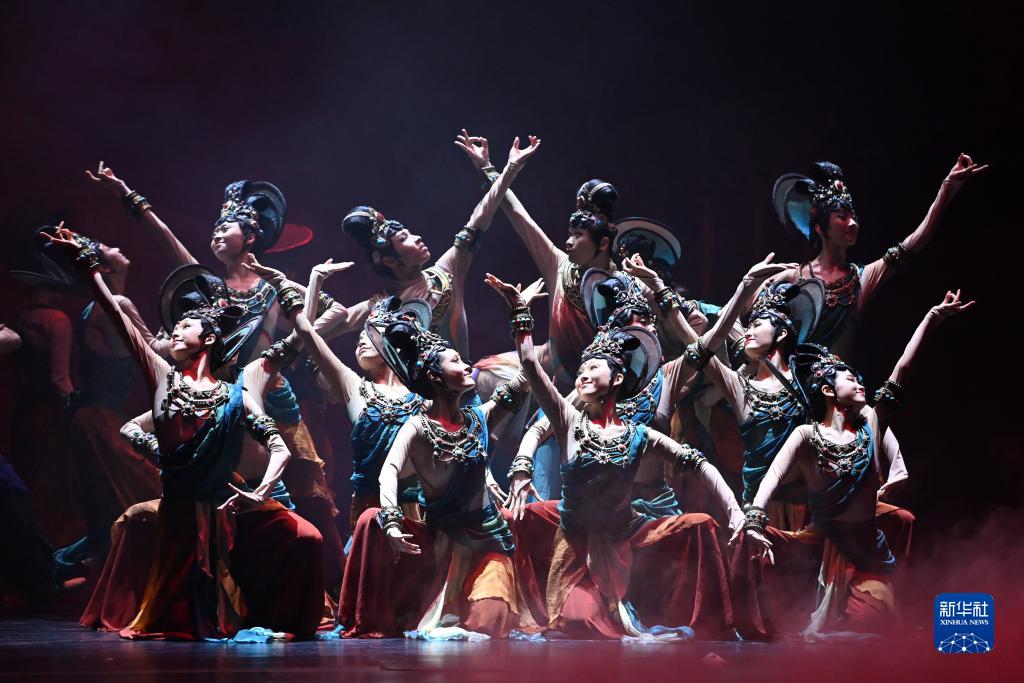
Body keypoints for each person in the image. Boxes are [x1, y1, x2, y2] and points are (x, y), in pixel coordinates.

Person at [44, 224, 324, 640]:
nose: (175, 329)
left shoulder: (237, 391)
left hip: (226, 505)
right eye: (176, 326)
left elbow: (280, 440)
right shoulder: (163, 378)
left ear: (208, 337)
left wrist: (261, 490)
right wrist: (87, 266)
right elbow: (119, 317)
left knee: (309, 537)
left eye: (186, 325)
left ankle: (284, 612)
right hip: (183, 511)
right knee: (185, 602)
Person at [485, 273, 772, 639]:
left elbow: (709, 345)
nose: (642, 331)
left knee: (694, 533)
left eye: (647, 322)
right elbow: (536, 399)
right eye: (631, 325)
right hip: (586, 517)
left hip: (640, 511)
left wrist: (744, 287)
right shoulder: (576, 408)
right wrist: (522, 465)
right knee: (527, 536)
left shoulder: (659, 390)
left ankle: (705, 619)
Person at [744, 290, 973, 638]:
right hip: (816, 543)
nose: (859, 383)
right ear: (827, 390)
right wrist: (754, 519)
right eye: (850, 379)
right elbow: (773, 475)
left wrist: (931, 318)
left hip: (864, 551)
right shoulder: (807, 434)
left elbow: (902, 368)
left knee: (869, 630)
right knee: (740, 539)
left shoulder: (871, 425)